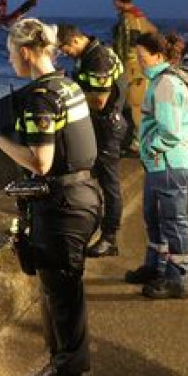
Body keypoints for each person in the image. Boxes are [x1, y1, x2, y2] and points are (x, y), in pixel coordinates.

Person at [0, 18, 101, 376]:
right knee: (58, 297)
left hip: (64, 204)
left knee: (65, 301)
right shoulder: (67, 85)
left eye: (10, 52)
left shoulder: (41, 98)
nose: (9, 58)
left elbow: (41, 162)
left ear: (27, 52)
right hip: (81, 195)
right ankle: (58, 373)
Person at [124, 31, 188, 299]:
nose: (139, 62)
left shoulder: (166, 84)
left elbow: (171, 131)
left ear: (158, 56)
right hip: (161, 163)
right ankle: (156, 266)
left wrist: (152, 150)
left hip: (168, 162)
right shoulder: (161, 80)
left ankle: (176, 278)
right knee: (154, 217)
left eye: (142, 57)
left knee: (172, 221)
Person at [58, 24, 125, 257]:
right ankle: (92, 229)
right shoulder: (91, 54)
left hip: (107, 126)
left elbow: (99, 101)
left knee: (109, 184)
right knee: (95, 180)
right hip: (97, 125)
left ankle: (110, 237)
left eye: (65, 48)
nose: (65, 53)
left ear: (75, 40)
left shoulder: (98, 58)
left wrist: (70, 93)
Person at [111, 0, 158, 149]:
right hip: (142, 66)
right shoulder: (141, 17)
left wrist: (120, 62)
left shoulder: (127, 19)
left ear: (117, 1)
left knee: (135, 104)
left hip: (131, 67)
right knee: (141, 103)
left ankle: (139, 142)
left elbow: (126, 45)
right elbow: (154, 33)